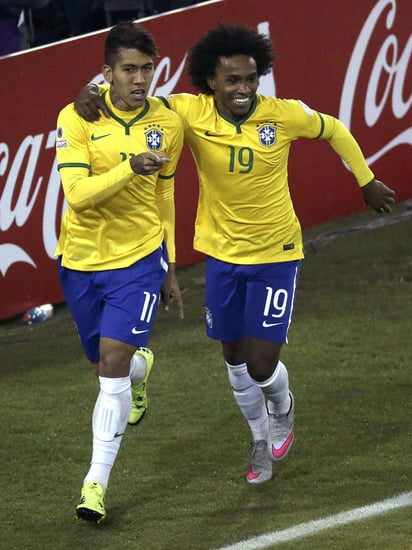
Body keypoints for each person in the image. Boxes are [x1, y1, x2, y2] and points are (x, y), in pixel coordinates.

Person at [74, 24, 395, 486]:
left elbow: (335, 129)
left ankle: (282, 409)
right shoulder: (188, 112)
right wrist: (92, 86)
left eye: (250, 79)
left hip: (277, 252)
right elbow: (132, 91)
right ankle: (259, 440)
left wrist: (365, 180)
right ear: (211, 81)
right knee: (234, 357)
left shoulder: (282, 115)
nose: (243, 89)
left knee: (262, 364)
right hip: (222, 256)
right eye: (233, 80)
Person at [55, 21, 184, 523]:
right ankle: (141, 367)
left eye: (146, 68)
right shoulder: (77, 116)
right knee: (106, 364)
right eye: (128, 69)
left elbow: (166, 194)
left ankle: (94, 484)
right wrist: (131, 166)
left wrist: (170, 264)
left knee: (109, 366)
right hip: (81, 262)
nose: (139, 78)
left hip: (138, 260)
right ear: (106, 73)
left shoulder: (168, 121)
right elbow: (77, 196)